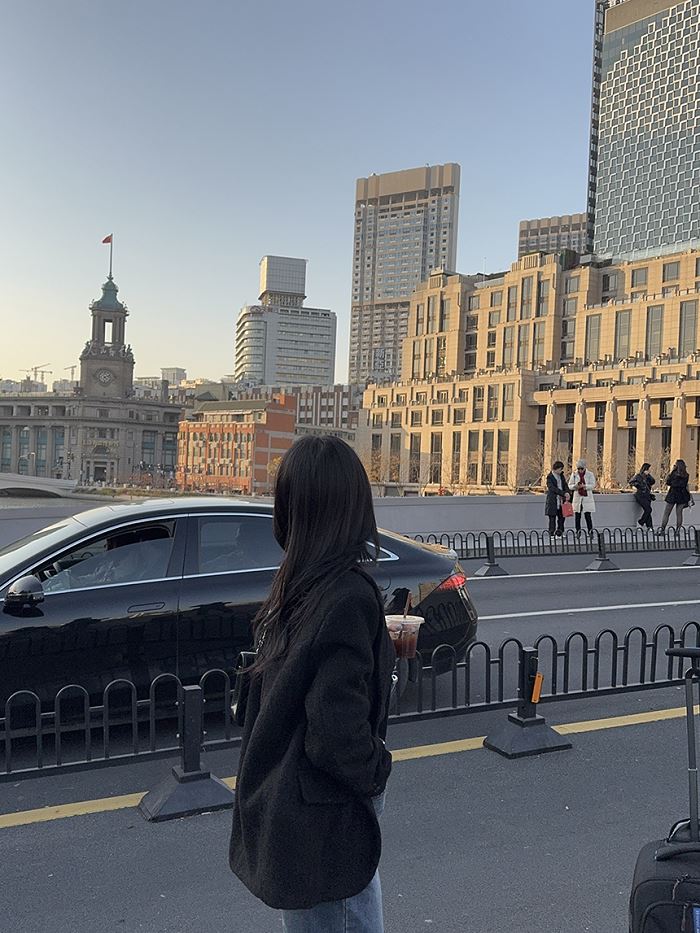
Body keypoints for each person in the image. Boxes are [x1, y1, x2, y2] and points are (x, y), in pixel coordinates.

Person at [229, 435, 395, 932]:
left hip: (291, 816)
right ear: (354, 506)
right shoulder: (347, 594)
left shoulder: (297, 583)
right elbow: (335, 728)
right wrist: (377, 771)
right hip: (326, 821)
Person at [657, 459, 694, 534]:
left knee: (666, 513)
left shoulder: (673, 474)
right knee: (679, 514)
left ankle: (662, 530)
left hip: (673, 494)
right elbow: (685, 485)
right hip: (682, 495)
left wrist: (672, 471)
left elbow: (668, 482)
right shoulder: (686, 475)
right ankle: (677, 531)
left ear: (676, 466)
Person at [568, 459, 597, 534]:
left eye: (581, 468)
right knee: (577, 516)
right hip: (577, 497)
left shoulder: (590, 474)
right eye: (578, 468)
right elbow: (570, 485)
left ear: (585, 467)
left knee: (588, 515)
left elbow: (593, 485)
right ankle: (578, 531)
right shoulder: (574, 474)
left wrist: (585, 486)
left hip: (587, 497)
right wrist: (575, 486)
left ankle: (590, 531)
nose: (580, 470)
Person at [545, 460, 570, 537]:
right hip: (553, 500)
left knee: (561, 517)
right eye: (560, 469)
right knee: (552, 518)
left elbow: (565, 485)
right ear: (556, 469)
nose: (561, 471)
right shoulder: (550, 477)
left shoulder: (561, 476)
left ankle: (560, 532)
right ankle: (551, 533)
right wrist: (562, 493)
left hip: (561, 500)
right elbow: (552, 488)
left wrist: (567, 492)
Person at [630, 462, 655, 530]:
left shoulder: (648, 477)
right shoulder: (638, 476)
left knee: (648, 511)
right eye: (648, 469)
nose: (649, 470)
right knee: (648, 509)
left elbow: (653, 481)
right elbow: (631, 482)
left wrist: (648, 476)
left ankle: (649, 526)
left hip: (647, 495)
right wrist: (638, 485)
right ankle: (640, 522)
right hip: (640, 495)